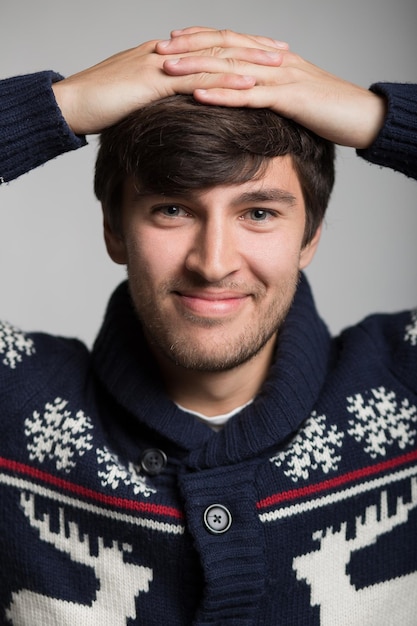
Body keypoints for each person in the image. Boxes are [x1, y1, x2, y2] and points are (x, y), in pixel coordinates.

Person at [0, 26, 416, 625]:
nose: (213, 261)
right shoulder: (18, 411)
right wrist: (60, 106)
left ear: (311, 235)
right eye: (172, 209)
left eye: (259, 212)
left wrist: (376, 116)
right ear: (115, 230)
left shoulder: (402, 391)